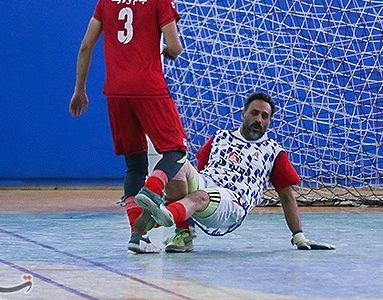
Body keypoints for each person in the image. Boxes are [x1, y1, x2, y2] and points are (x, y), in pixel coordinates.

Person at [70, 0, 190, 255]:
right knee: (176, 150)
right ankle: (154, 190)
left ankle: (137, 237)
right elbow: (175, 46)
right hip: (149, 88)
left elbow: (85, 46)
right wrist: (168, 51)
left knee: (134, 164)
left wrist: (80, 89)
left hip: (116, 91)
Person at [134, 92, 335, 252]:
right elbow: (198, 173)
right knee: (179, 161)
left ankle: (164, 213)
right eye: (255, 113)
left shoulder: (274, 152)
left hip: (234, 202)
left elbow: (287, 197)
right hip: (207, 188)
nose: (259, 119)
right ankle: (170, 228)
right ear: (243, 113)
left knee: (199, 197)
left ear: (270, 122)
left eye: (265, 117)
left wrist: (298, 235)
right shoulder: (219, 138)